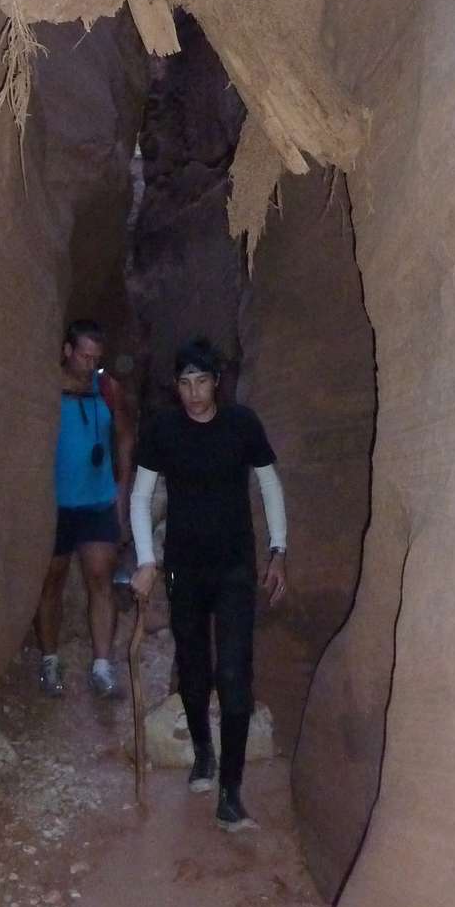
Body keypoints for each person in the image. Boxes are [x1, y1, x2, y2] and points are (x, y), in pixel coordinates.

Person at [130, 337, 288, 831]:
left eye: (202, 381)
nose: (194, 393)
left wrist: (279, 549)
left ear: (217, 382)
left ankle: (231, 793)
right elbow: (140, 496)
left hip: (235, 568)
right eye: (185, 383)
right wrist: (146, 560)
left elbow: (269, 483)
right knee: (194, 670)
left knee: (235, 675)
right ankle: (203, 750)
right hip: (185, 568)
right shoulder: (163, 430)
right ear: (175, 386)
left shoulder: (242, 425)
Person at [35, 318, 135, 698]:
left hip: (97, 502)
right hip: (55, 505)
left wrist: (121, 496)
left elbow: (124, 439)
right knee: (51, 581)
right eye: (84, 356)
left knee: (100, 580)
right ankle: (49, 660)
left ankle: (102, 666)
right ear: (67, 350)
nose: (91, 365)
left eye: (96, 358)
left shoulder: (107, 389)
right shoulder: (46, 388)